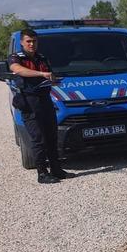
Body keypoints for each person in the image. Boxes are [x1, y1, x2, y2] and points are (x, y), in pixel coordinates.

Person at [8, 29, 76, 183]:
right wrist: (40, 74)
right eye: (28, 41)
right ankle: (42, 173)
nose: (32, 44)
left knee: (51, 136)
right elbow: (17, 70)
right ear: (22, 42)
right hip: (29, 101)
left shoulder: (42, 58)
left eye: (34, 41)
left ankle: (56, 169)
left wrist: (53, 79)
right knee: (38, 138)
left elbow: (48, 74)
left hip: (45, 99)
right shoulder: (15, 58)